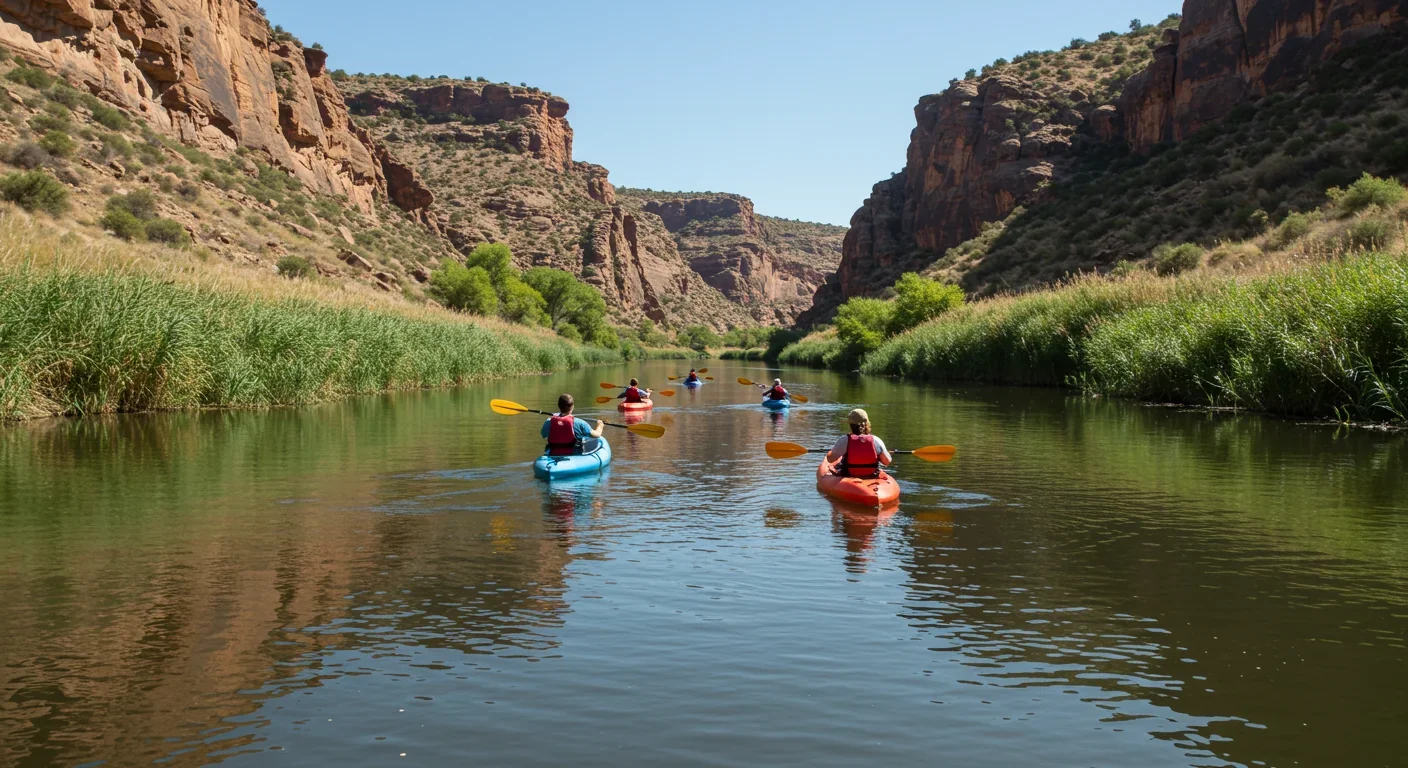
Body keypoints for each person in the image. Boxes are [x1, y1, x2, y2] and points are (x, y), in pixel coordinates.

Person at [826, 409, 893, 478]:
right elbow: (887, 462)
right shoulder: (876, 440)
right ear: (866, 424)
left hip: (849, 475)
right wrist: (884, 453)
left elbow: (830, 459)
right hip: (871, 475)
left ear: (850, 425)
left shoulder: (844, 440)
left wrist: (830, 452)